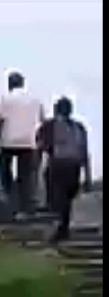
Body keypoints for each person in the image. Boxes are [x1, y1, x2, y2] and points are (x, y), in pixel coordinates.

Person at [40, 97, 92, 245]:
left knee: (58, 197)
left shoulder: (51, 125)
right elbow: (84, 152)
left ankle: (60, 229)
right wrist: (87, 176)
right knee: (66, 199)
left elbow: (43, 145)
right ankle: (63, 228)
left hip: (59, 163)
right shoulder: (79, 127)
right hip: (74, 165)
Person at [0, 71, 45, 216]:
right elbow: (43, 120)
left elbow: (1, 120)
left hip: (9, 141)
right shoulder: (35, 99)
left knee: (3, 168)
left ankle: (10, 194)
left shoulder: (6, 98)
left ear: (10, 83)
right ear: (23, 83)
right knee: (25, 175)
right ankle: (25, 204)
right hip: (29, 141)